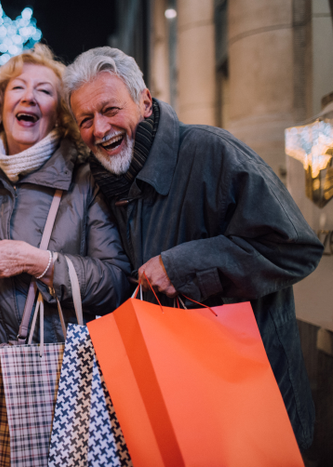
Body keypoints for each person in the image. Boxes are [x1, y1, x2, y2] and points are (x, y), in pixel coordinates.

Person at [63, 46, 323, 449]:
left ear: (144, 101)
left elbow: (295, 250)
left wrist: (182, 266)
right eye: (85, 120)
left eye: (110, 109)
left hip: (252, 404)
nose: (99, 129)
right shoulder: (104, 180)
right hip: (180, 402)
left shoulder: (211, 151)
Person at [0, 43, 131, 352]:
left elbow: (116, 283)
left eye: (45, 91)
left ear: (61, 113)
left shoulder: (85, 180)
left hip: (61, 376)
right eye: (18, 87)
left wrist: (41, 263)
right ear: (0, 105)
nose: (28, 97)